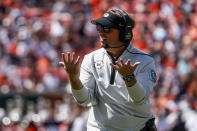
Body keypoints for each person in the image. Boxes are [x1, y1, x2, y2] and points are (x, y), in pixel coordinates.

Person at [60, 8, 157, 131]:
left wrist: (129, 78)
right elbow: (84, 100)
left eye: (107, 29)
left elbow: (139, 99)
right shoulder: (91, 59)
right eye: (99, 28)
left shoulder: (145, 61)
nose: (101, 33)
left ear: (124, 33)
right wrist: (73, 78)